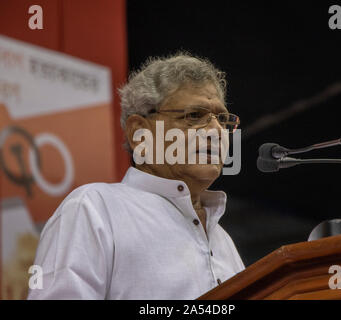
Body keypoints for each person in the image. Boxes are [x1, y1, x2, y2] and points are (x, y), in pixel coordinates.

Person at [28, 52, 245, 300]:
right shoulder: (93, 209)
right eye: (194, 116)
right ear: (140, 133)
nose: (217, 130)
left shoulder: (223, 240)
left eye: (222, 119)